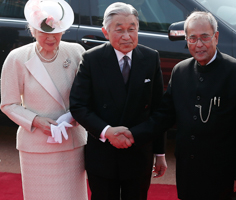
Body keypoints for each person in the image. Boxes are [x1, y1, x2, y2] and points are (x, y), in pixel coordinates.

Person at [114, 11, 236, 200]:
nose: (199, 44)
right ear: (187, 40)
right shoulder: (181, 71)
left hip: (222, 172)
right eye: (192, 38)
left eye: (205, 37)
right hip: (188, 169)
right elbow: (164, 115)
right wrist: (134, 133)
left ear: (216, 37)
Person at [69, 2, 167, 200]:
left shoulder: (150, 58)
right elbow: (78, 105)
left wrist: (159, 153)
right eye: (119, 30)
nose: (127, 35)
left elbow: (159, 110)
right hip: (103, 152)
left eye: (132, 29)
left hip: (139, 150)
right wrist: (107, 132)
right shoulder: (91, 59)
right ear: (105, 32)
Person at [0, 0, 88, 199]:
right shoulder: (17, 58)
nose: (51, 38)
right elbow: (8, 104)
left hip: (71, 141)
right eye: (44, 33)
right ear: (32, 31)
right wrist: (37, 122)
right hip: (36, 144)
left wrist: (74, 117)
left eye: (56, 32)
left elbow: (87, 95)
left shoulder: (76, 52)